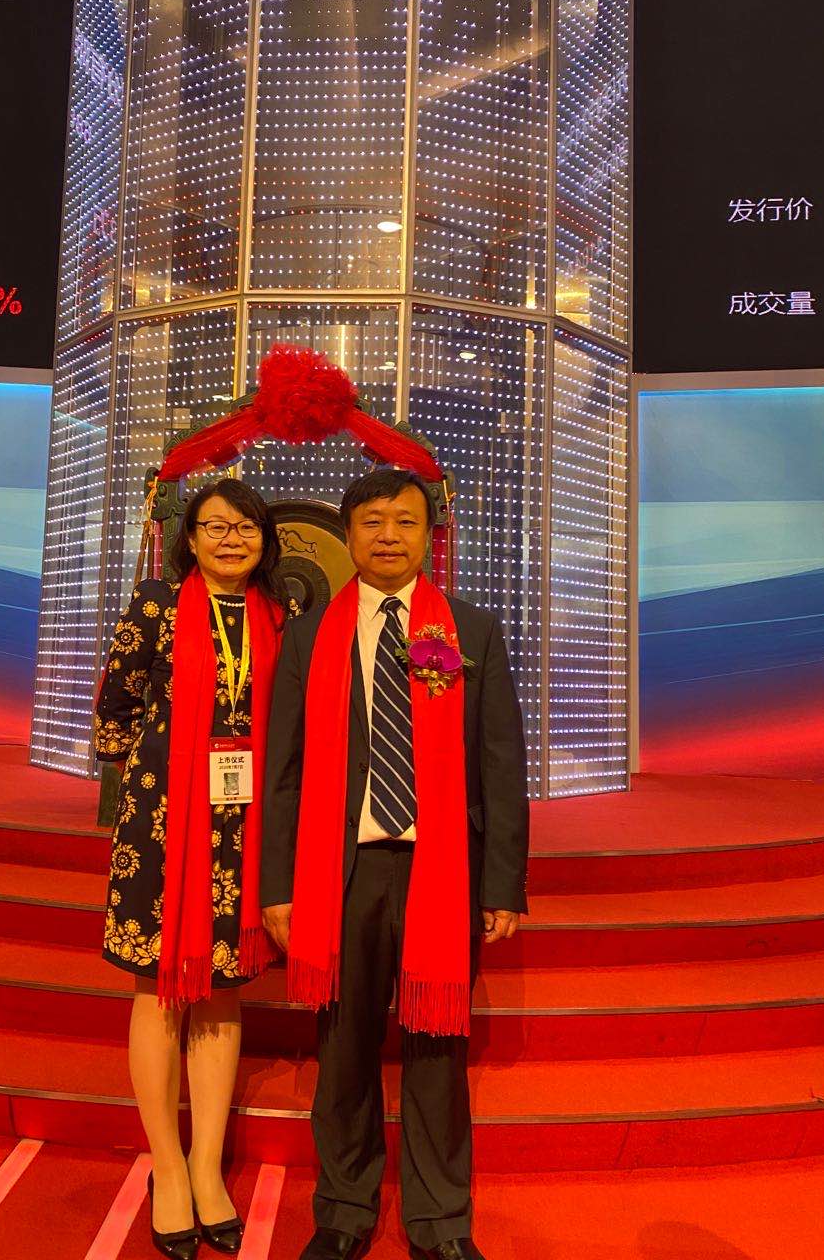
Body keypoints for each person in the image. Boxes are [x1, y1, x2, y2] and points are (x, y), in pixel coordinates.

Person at [260, 468, 529, 1260]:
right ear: (348, 534)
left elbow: (501, 765)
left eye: (404, 521)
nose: (388, 536)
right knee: (343, 1048)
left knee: (437, 1049)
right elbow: (283, 771)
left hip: (439, 870)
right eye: (372, 521)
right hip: (338, 873)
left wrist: (503, 883)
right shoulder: (311, 635)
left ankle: (441, 1221)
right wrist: (277, 886)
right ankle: (343, 1211)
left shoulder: (470, 630)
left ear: (428, 535)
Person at [95, 478, 292, 1260]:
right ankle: (168, 1168)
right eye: (216, 526)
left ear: (265, 539)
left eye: (246, 527)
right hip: (161, 821)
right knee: (157, 988)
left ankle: (207, 1168)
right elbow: (116, 704)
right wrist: (150, 774)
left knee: (223, 988)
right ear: (191, 537)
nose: (231, 539)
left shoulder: (281, 614)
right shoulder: (155, 604)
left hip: (245, 827)